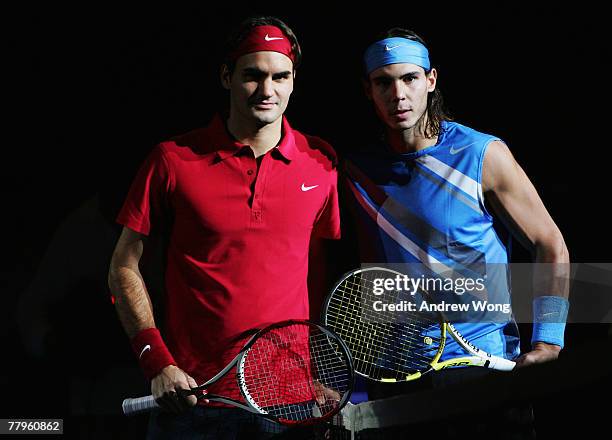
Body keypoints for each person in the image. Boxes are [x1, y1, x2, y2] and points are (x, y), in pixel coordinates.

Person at [108, 16, 340, 439]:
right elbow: (123, 266)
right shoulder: (173, 159)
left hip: (289, 405)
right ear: (226, 76)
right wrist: (156, 362)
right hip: (193, 400)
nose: (267, 90)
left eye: (280, 76)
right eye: (252, 75)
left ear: (293, 81)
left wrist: (318, 370)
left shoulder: (321, 165)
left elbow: (314, 273)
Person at [340, 28, 570, 438]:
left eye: (410, 78)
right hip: (399, 378)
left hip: (483, 370)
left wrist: (548, 342)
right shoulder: (356, 170)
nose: (398, 94)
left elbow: (548, 244)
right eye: (383, 82)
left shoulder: (482, 153)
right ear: (367, 90)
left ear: (430, 80)